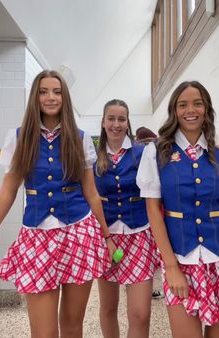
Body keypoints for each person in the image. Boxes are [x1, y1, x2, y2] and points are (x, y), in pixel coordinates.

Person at [0, 70, 116, 338]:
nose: (50, 97)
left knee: (73, 326)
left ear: (64, 97)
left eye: (56, 91)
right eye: (43, 91)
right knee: (43, 332)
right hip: (36, 238)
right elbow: (7, 191)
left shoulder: (80, 137)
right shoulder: (18, 138)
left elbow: (91, 192)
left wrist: (106, 237)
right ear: (35, 97)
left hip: (79, 233)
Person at [137, 81, 219, 338]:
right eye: (183, 104)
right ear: (174, 111)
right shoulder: (155, 153)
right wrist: (170, 267)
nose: (190, 110)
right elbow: (153, 212)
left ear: (206, 109)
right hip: (180, 261)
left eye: (197, 103)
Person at [94, 99, 160, 338]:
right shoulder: (93, 156)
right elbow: (90, 198)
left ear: (128, 122)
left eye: (121, 119)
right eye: (111, 118)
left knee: (140, 314)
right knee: (109, 307)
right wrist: (104, 236)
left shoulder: (143, 153)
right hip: (107, 238)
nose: (116, 124)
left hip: (140, 235)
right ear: (103, 122)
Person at [135, 127, 164, 301]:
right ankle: (146, 286)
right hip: (147, 209)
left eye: (149, 142)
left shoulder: (150, 153)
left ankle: (147, 285)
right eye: (144, 143)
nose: (147, 145)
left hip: (154, 208)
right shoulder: (144, 155)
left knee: (154, 249)